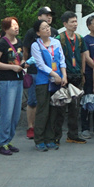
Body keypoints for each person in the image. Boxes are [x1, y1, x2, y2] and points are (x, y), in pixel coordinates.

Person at [30, 20, 66, 151]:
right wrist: (54, 75)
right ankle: (39, 139)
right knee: (43, 111)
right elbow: (40, 64)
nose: (47, 29)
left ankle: (50, 139)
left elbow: (61, 59)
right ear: (38, 32)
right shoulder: (35, 45)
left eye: (48, 27)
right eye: (44, 28)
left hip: (57, 80)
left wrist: (63, 75)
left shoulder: (56, 42)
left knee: (54, 110)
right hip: (44, 81)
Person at [22, 7, 57, 140]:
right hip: (35, 71)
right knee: (33, 100)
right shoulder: (31, 33)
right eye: (46, 15)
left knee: (49, 101)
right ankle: (31, 127)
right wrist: (26, 64)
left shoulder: (54, 33)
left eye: (50, 15)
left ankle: (46, 128)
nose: (49, 17)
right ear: (39, 17)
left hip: (51, 72)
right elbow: (26, 51)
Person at [0, 17, 24, 156]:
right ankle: (2, 142)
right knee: (7, 112)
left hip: (18, 79)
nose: (16, 28)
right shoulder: (1, 43)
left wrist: (22, 64)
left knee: (16, 114)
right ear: (6, 28)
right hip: (6, 81)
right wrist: (11, 68)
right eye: (13, 26)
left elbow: (20, 57)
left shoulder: (19, 42)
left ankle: (9, 139)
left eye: (17, 25)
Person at [58, 11, 86, 144]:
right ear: (65, 24)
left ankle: (73, 135)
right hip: (64, 76)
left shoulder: (80, 39)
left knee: (75, 108)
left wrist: (83, 73)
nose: (75, 24)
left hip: (77, 76)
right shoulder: (59, 39)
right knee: (61, 108)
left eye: (76, 21)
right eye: (72, 22)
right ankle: (56, 136)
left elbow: (84, 57)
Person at [80, 15, 94, 138]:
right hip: (90, 73)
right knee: (87, 100)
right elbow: (86, 57)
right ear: (89, 26)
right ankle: (85, 127)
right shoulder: (86, 39)